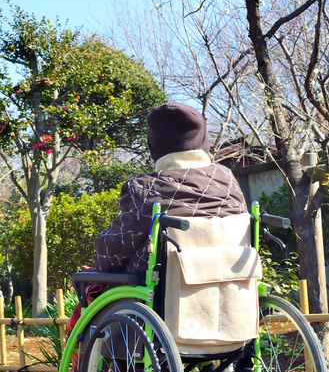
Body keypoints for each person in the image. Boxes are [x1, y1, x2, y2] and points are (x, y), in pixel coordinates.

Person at [67, 101, 247, 329]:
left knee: (92, 292)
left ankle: (92, 365)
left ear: (155, 145)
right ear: (203, 141)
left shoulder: (144, 187)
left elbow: (109, 256)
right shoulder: (228, 182)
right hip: (228, 305)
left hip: (160, 313)